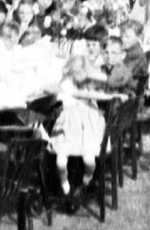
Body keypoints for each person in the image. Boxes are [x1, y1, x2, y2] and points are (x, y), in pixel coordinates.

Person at [50, 55, 125, 196]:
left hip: (89, 126)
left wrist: (91, 75)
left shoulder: (89, 82)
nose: (79, 74)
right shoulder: (67, 84)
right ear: (70, 71)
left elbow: (101, 83)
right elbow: (84, 94)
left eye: (82, 71)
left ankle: (85, 182)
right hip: (69, 126)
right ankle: (65, 187)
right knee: (61, 160)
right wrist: (111, 97)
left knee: (89, 159)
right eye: (76, 71)